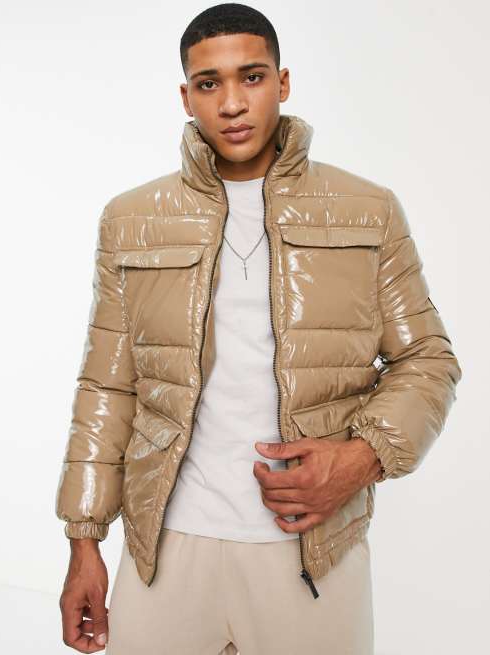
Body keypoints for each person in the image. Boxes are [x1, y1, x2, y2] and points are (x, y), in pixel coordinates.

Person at [55, 3, 462, 653]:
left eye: (251, 76)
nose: (232, 103)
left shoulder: (367, 210)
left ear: (283, 82)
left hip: (313, 551)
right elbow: (108, 386)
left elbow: (428, 359)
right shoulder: (131, 220)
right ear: (186, 98)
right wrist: (84, 540)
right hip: (165, 550)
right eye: (209, 83)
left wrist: (359, 459)